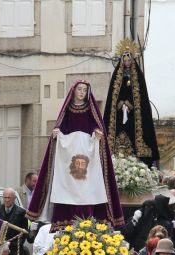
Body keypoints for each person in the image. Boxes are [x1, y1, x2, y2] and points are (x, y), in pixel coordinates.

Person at [27, 80, 124, 230]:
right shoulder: (67, 110)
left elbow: (97, 127)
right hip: (69, 153)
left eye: (85, 90)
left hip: (88, 153)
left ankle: (93, 216)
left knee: (89, 183)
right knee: (67, 181)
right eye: (79, 89)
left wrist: (97, 133)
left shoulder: (91, 110)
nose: (82, 93)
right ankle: (64, 217)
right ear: (73, 91)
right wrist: (56, 134)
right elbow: (61, 127)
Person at [103, 39, 160, 168]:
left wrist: (130, 105)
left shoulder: (138, 77)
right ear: (122, 61)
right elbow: (112, 99)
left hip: (135, 117)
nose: (127, 63)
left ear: (132, 61)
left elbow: (142, 99)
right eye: (125, 60)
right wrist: (121, 104)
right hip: (118, 117)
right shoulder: (116, 77)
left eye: (129, 60)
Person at [0, 188, 29, 255]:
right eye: (5, 198)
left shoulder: (21, 212)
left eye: (9, 198)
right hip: (0, 247)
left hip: (15, 248)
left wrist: (15, 245)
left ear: (14, 199)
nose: (7, 200)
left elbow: (24, 232)